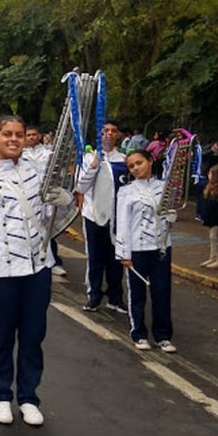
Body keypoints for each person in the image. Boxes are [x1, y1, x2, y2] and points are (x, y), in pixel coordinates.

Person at [0, 115, 71, 427]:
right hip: (2, 269)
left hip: (38, 266)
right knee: (2, 336)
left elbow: (57, 214)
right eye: (7, 134)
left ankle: (28, 397)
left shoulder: (40, 172)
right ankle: (0, 394)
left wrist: (64, 199)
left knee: (33, 335)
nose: (14, 139)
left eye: (20, 134)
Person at [113, 150, 176, 352]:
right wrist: (124, 253)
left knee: (162, 292)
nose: (136, 168)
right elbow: (122, 223)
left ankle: (163, 336)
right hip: (137, 249)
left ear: (150, 161)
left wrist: (172, 214)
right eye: (131, 166)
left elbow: (169, 213)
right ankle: (138, 333)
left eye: (139, 163)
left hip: (161, 248)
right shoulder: (126, 191)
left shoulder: (164, 187)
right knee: (137, 294)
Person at [76, 120, 128, 313]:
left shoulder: (123, 159)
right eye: (105, 130)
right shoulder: (88, 158)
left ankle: (115, 297)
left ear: (118, 135)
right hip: (93, 215)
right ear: (99, 134)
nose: (109, 134)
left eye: (113, 131)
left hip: (117, 217)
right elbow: (80, 187)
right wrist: (94, 166)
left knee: (116, 257)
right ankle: (94, 295)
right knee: (95, 257)